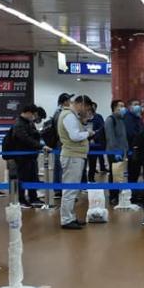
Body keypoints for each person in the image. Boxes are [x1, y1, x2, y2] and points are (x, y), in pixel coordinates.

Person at [58, 95, 94, 230]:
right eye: (86, 108)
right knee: (70, 189)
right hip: (72, 156)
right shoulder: (69, 116)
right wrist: (88, 134)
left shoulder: (71, 116)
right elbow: (74, 136)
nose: (85, 111)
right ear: (80, 104)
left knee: (72, 189)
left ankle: (70, 217)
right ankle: (66, 219)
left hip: (75, 155)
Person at [11, 104, 50, 208]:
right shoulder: (19, 124)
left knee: (33, 176)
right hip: (22, 156)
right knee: (23, 178)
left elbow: (33, 134)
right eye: (33, 114)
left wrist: (40, 133)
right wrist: (41, 146)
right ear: (28, 112)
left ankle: (33, 198)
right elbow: (25, 139)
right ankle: (22, 199)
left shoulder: (28, 122)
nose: (34, 117)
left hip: (31, 155)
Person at [49, 93, 74, 199]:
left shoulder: (58, 112)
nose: (71, 102)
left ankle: (60, 189)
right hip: (61, 143)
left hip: (60, 142)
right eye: (69, 100)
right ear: (64, 102)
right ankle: (58, 190)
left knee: (61, 166)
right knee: (60, 167)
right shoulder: (60, 113)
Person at [105, 99, 128, 204]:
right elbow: (110, 138)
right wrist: (115, 152)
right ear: (115, 108)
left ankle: (118, 194)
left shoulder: (121, 120)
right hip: (113, 152)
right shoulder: (110, 120)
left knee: (119, 174)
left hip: (122, 152)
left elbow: (123, 137)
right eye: (121, 106)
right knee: (113, 174)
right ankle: (113, 196)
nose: (123, 108)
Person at [125, 99, 144, 203]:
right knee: (133, 173)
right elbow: (131, 133)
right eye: (135, 104)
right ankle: (132, 195)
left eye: (139, 104)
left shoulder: (137, 117)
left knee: (136, 173)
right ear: (130, 107)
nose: (138, 106)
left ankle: (135, 194)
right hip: (132, 149)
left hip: (138, 149)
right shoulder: (128, 118)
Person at [87, 102, 107, 182]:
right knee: (86, 162)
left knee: (93, 161)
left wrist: (94, 135)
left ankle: (91, 178)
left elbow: (102, 128)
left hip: (97, 143)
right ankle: (85, 180)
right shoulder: (83, 119)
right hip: (85, 143)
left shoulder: (98, 117)